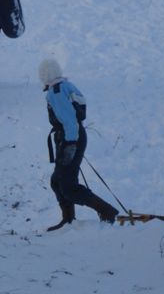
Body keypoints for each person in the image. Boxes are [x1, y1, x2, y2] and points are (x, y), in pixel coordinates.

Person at [38, 58, 119, 231]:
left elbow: (69, 121)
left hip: (70, 138)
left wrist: (70, 145)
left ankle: (107, 211)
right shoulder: (66, 86)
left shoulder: (57, 92)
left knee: (67, 185)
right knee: (58, 182)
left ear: (44, 75)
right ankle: (68, 220)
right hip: (71, 137)